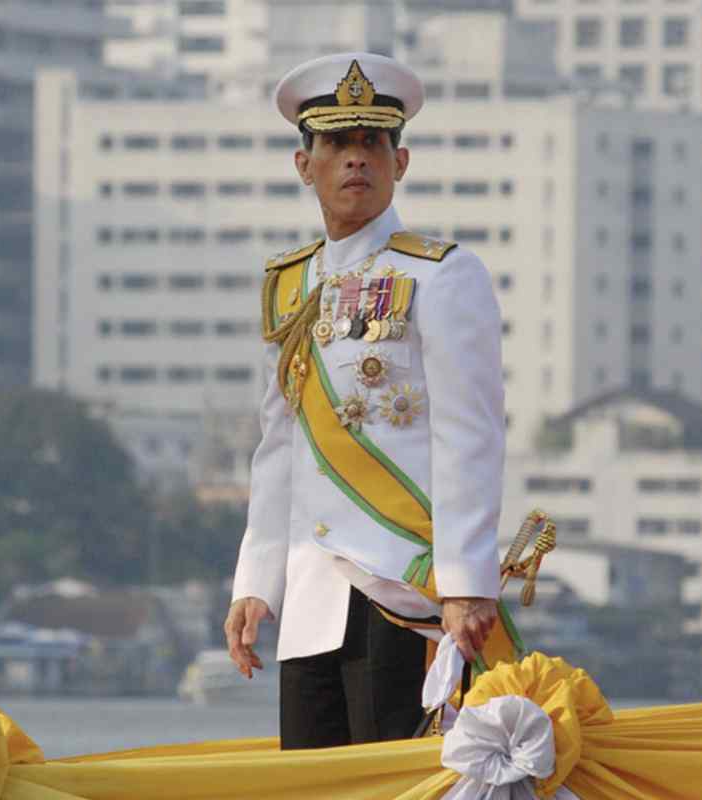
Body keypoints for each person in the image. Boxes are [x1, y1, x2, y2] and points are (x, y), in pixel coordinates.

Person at [223, 52, 517, 750]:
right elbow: (279, 445)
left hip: (404, 586)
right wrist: (255, 578)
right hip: (312, 593)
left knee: (399, 780)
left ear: (400, 161)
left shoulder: (441, 276)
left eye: (372, 143)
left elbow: (469, 437)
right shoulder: (288, 286)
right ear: (306, 166)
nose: (356, 159)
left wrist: (467, 582)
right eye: (336, 144)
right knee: (313, 785)